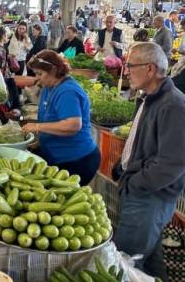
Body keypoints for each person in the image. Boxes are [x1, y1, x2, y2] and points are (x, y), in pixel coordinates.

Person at [111, 42, 185, 279]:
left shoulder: (174, 105)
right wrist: (123, 167)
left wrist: (134, 183)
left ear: (150, 69)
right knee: (149, 260)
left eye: (131, 66)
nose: (127, 71)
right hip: (142, 192)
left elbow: (170, 165)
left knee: (126, 261)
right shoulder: (149, 98)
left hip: (150, 197)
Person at [22, 50, 100, 184]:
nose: (37, 78)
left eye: (40, 73)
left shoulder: (67, 91)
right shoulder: (49, 86)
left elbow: (73, 125)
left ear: (53, 71)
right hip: (57, 156)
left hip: (76, 160)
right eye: (36, 73)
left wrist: (37, 126)